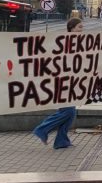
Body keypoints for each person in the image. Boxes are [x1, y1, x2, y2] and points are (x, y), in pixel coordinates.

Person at [32, 17, 85, 148]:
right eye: (79, 27)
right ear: (72, 28)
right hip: (62, 81)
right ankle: (42, 129)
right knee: (68, 111)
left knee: (70, 112)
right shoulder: (64, 42)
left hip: (71, 81)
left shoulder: (78, 42)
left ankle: (61, 141)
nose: (82, 30)